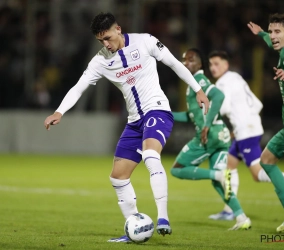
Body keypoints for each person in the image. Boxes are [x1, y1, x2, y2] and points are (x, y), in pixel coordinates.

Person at [43, 12, 209, 242]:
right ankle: (134, 228)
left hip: (157, 110)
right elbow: (78, 88)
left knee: (151, 155)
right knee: (118, 177)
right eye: (101, 41)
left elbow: (173, 63)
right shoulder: (100, 61)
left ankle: (163, 218)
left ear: (118, 29)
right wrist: (59, 111)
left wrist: (198, 89)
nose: (106, 44)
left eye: (108, 38)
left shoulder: (145, 41)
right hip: (134, 122)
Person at [207, 50, 284, 221]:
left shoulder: (222, 84)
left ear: (226, 64)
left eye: (217, 63)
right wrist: (243, 124)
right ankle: (229, 210)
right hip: (250, 127)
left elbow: (224, 108)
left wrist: (207, 112)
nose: (213, 68)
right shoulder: (237, 77)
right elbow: (257, 104)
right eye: (211, 64)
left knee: (257, 174)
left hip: (246, 132)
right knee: (230, 164)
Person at [170, 48, 251, 230]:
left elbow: (219, 95)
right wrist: (167, 115)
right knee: (217, 181)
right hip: (221, 136)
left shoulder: (199, 80)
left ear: (199, 64)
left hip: (209, 136)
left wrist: (206, 125)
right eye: (183, 60)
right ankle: (241, 217)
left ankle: (219, 175)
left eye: (190, 60)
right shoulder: (193, 83)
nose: (185, 63)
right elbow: (190, 116)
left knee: (177, 169)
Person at [247, 13, 284, 232]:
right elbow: (272, 42)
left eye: (277, 32)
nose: (273, 36)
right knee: (267, 160)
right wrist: (261, 33)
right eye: (271, 31)